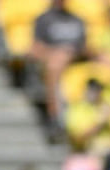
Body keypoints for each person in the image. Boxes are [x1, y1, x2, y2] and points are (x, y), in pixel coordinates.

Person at [29, 0, 89, 129]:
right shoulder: (44, 19)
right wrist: (57, 52)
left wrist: (70, 52)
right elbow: (35, 49)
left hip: (75, 59)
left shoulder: (77, 19)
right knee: (55, 63)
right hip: (52, 60)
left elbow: (85, 48)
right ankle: (55, 115)